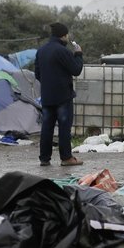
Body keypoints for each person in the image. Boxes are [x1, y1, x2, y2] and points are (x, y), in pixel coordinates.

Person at [35, 22, 84, 166]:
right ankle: (66, 158)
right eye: (67, 35)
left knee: (47, 127)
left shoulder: (41, 50)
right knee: (64, 127)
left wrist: (48, 83)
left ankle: (44, 159)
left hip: (47, 96)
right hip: (63, 95)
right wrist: (79, 54)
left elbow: (38, 74)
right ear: (64, 35)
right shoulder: (62, 51)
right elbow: (76, 70)